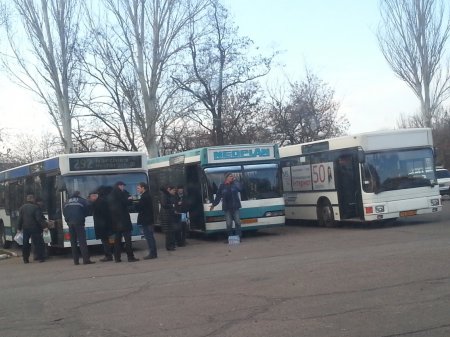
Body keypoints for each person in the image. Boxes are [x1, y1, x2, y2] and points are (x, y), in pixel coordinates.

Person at [108, 181, 139, 262]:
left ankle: (117, 258)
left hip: (115, 222)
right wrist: (130, 199)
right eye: (122, 186)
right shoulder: (121, 193)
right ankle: (130, 257)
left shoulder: (111, 195)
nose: (123, 187)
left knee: (117, 241)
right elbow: (126, 203)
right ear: (119, 186)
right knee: (128, 240)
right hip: (124, 221)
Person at [63, 191, 95, 265]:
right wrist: (83, 216)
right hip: (79, 223)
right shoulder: (82, 201)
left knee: (73, 242)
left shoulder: (66, 202)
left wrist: (68, 220)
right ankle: (86, 260)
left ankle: (76, 261)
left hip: (70, 223)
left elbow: (64, 212)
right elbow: (87, 210)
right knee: (82, 242)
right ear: (78, 195)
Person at [209, 172, 243, 240]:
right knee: (229, 224)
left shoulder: (235, 184)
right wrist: (213, 205)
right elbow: (218, 197)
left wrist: (235, 181)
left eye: (232, 176)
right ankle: (230, 238)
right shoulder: (222, 186)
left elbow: (240, 189)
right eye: (230, 176)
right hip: (227, 208)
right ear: (226, 177)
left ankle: (238, 237)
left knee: (238, 222)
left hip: (235, 207)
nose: (232, 177)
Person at [17, 194, 47, 263]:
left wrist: (18, 228)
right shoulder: (35, 207)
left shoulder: (22, 208)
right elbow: (39, 219)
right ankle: (41, 258)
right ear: (32, 199)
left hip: (26, 228)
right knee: (38, 243)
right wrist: (44, 226)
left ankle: (25, 259)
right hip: (35, 228)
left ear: (27, 199)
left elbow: (20, 219)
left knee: (25, 244)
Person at [89, 187, 113, 262]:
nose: (90, 199)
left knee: (105, 241)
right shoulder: (101, 201)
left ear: (95, 196)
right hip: (103, 224)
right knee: (106, 241)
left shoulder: (99, 202)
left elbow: (101, 214)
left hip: (102, 225)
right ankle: (108, 255)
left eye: (91, 197)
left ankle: (108, 256)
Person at [135, 182, 158, 259]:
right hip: (148, 220)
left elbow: (139, 207)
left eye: (138, 188)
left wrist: (134, 203)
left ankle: (152, 253)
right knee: (150, 237)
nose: (137, 189)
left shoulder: (145, 196)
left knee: (149, 237)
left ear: (143, 188)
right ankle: (153, 253)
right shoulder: (146, 195)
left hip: (147, 221)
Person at [159, 185, 178, 251]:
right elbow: (164, 204)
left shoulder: (168, 195)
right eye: (173, 190)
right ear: (169, 189)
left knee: (171, 232)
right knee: (169, 232)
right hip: (166, 216)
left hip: (169, 215)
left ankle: (171, 245)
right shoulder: (164, 195)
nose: (174, 192)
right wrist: (172, 205)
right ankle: (169, 246)